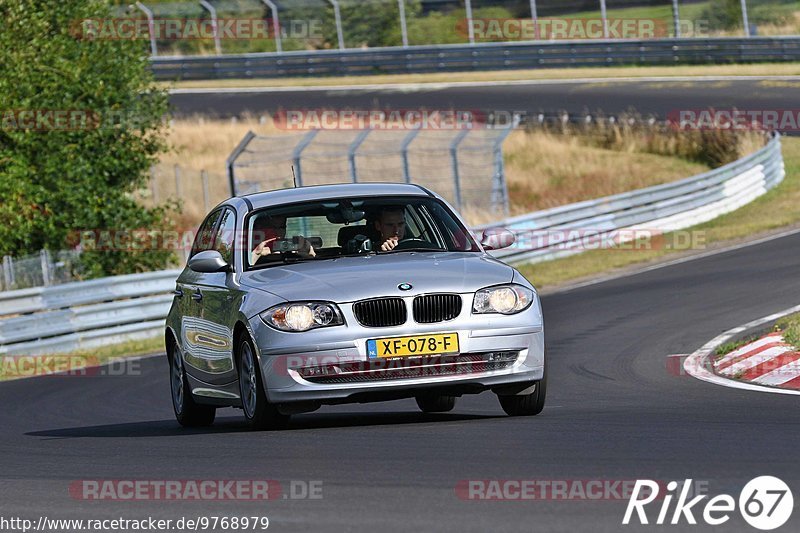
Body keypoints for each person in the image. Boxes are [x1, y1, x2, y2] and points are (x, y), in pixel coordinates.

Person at [251, 214, 315, 265]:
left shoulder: (293, 252)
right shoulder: (245, 253)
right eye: (272, 228)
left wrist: (309, 255)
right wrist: (256, 254)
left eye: (282, 227)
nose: (277, 232)